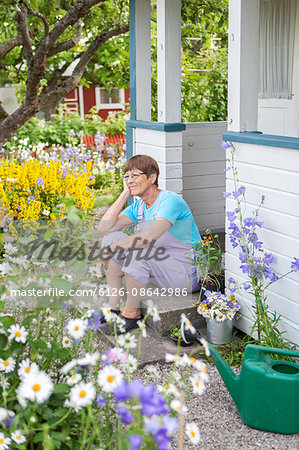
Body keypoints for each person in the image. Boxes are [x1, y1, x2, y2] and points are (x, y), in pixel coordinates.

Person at [98, 154, 201, 334]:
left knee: (138, 248)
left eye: (135, 175)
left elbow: (150, 236)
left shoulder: (169, 201)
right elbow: (104, 228)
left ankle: (131, 315)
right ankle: (114, 308)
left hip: (185, 274)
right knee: (110, 238)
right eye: (126, 176)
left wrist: (112, 249)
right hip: (161, 268)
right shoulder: (139, 206)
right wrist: (125, 194)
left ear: (152, 178)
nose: (130, 180)